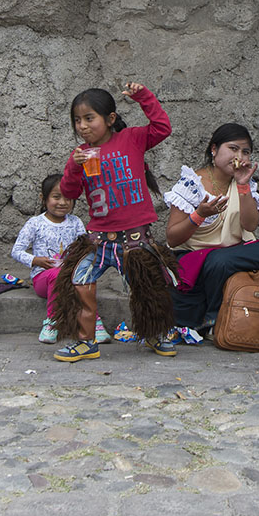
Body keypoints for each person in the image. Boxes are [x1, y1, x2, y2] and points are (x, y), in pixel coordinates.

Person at [51, 83, 178, 362]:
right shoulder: (81, 154)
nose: (82, 126)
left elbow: (162, 128)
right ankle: (85, 342)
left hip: (134, 238)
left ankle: (156, 333)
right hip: (98, 239)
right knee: (77, 281)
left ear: (110, 119)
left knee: (148, 288)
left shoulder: (132, 139)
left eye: (89, 118)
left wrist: (143, 96)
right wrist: (74, 166)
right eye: (77, 120)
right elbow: (70, 193)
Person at [163, 123, 259, 332]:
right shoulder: (192, 184)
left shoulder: (243, 182)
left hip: (233, 253)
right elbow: (172, 238)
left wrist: (243, 186)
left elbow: (250, 225)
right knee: (220, 261)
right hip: (195, 256)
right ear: (214, 149)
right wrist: (199, 215)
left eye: (245, 152)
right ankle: (214, 319)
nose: (239, 157)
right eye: (233, 149)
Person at [10, 175, 104, 344]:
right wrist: (35, 260)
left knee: (87, 275)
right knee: (56, 274)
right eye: (56, 197)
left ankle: (94, 322)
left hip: (71, 277)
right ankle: (52, 321)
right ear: (44, 198)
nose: (62, 202)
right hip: (44, 279)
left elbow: (83, 248)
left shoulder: (75, 222)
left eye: (68, 198)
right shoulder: (35, 223)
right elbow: (16, 251)